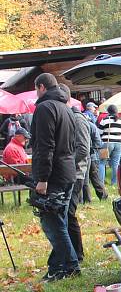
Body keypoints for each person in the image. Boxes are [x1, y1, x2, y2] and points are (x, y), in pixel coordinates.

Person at [29, 73, 79, 281]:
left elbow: (45, 146)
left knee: (53, 223)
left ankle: (69, 266)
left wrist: (42, 178)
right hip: (68, 172)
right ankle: (57, 265)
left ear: (41, 87)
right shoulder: (66, 108)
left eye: (35, 89)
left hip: (54, 175)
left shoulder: (45, 108)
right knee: (60, 221)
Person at [65, 95, 91, 262]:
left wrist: (65, 163)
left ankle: (78, 254)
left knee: (69, 213)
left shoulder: (78, 120)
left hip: (76, 173)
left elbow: (83, 149)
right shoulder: (69, 118)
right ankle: (72, 253)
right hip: (68, 172)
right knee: (66, 214)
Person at [97, 104, 121, 186]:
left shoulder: (105, 120)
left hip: (107, 143)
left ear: (108, 111)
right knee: (115, 163)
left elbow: (99, 132)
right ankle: (114, 182)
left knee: (102, 162)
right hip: (119, 143)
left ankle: (101, 183)